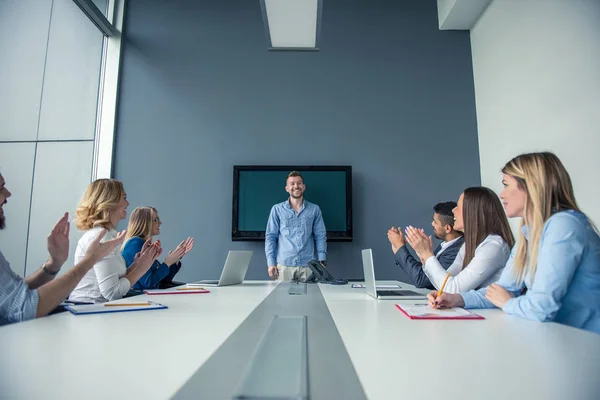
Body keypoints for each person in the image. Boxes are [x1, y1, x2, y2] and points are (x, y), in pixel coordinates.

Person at [428, 152, 600, 334]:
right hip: (559, 339)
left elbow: (541, 307)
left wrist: (508, 302)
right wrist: (456, 299)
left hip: (587, 344)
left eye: (506, 185)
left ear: (531, 186)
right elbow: (500, 291)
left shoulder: (564, 226)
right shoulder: (529, 235)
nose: (501, 195)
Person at [0, 173, 126, 325]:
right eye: (1, 188)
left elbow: (16, 292)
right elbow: (24, 307)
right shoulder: (100, 236)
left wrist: (54, 264)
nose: (8, 193)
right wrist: (89, 260)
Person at [405, 187, 514, 293]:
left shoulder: (493, 246)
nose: (453, 210)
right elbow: (444, 283)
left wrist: (427, 254)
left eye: (458, 206)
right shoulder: (469, 245)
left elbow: (453, 289)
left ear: (472, 213)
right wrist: (423, 255)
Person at [69, 179, 162, 303]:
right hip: (89, 311)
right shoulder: (101, 237)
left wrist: (138, 265)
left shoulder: (107, 235)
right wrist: (140, 270)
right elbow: (112, 293)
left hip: (98, 309)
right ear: (110, 203)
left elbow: (116, 280)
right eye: (124, 198)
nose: (128, 203)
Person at [265, 171, 327, 282]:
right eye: (292, 184)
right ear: (287, 188)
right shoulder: (277, 210)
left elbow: (320, 236)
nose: (296, 186)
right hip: (283, 267)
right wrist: (271, 263)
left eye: (299, 183)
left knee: (310, 299)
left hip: (309, 266)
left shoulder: (314, 209)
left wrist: (322, 260)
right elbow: (271, 237)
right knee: (281, 299)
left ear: (303, 187)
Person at [388, 201, 464, 289]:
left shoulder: (456, 251)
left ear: (447, 228)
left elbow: (421, 280)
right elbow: (426, 273)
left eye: (435, 221)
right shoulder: (446, 245)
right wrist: (421, 254)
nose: (432, 224)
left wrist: (400, 248)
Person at [121, 206, 194, 290]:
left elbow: (162, 280)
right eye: (156, 219)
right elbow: (148, 283)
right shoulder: (134, 244)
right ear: (145, 222)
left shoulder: (141, 244)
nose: (160, 223)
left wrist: (176, 258)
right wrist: (167, 262)